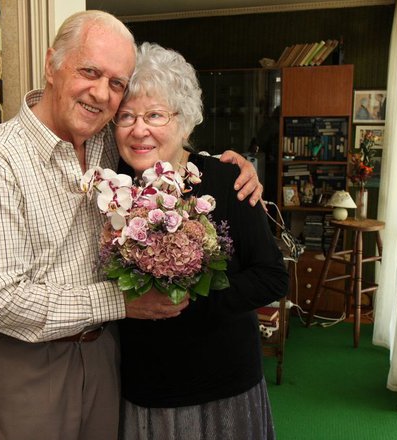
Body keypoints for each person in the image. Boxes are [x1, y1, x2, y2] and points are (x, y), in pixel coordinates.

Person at [0, 10, 263, 440]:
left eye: (116, 83)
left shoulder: (103, 144)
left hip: (106, 355)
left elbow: (163, 140)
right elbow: (0, 301)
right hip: (31, 361)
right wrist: (119, 303)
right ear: (51, 65)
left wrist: (228, 164)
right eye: (89, 72)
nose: (101, 94)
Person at [114, 42, 289, 440]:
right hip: (145, 386)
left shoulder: (229, 181)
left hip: (224, 384)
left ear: (186, 122)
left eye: (155, 114)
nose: (139, 129)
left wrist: (187, 296)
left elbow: (272, 277)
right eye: (126, 116)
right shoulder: (109, 186)